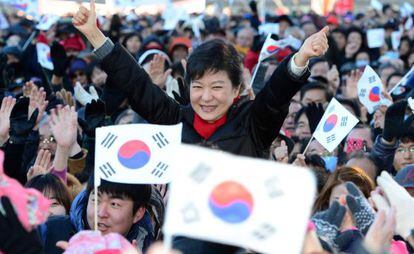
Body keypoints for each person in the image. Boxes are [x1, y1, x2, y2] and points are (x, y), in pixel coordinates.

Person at [72, 1, 329, 253]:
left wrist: (301, 56)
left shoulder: (253, 122)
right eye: (198, 87)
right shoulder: (175, 119)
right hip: (189, 241)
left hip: (244, 240)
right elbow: (137, 85)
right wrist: (95, 35)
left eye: (217, 87)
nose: (206, 98)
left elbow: (276, 95)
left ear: (236, 89)